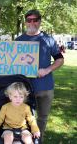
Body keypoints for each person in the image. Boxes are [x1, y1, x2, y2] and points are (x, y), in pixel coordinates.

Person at [15, 9, 64, 142]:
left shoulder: (48, 39)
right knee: (22, 118)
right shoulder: (18, 40)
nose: (32, 22)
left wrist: (47, 70)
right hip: (23, 89)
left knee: (42, 117)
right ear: (25, 22)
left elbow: (60, 59)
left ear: (40, 21)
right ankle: (23, 139)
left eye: (35, 20)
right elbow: (6, 64)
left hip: (45, 87)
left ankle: (38, 139)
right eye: (29, 20)